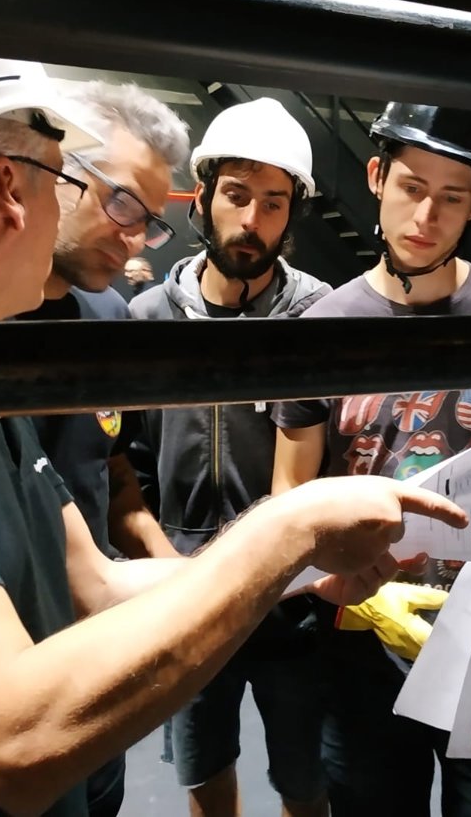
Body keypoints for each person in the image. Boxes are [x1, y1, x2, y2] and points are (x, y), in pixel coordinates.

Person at [0, 39, 468, 817]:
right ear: (10, 186)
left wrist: (293, 567)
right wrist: (287, 529)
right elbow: (12, 740)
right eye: (65, 179)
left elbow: (95, 583)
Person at [271, 101, 471, 817]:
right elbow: (289, 497)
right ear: (377, 177)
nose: (426, 216)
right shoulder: (321, 330)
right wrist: (331, 584)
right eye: (411, 187)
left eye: (452, 197)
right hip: (361, 636)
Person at [127, 97, 333, 817]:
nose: (252, 219)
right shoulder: (148, 320)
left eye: (274, 203)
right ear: (203, 196)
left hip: (292, 596)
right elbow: (131, 463)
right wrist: (163, 565)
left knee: (306, 782)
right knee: (203, 770)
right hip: (186, 586)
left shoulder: (319, 317)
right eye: (238, 196)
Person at [16, 79, 188, 816]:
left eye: (149, 222)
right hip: (4, 646)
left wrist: (174, 571)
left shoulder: (109, 314)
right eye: (121, 203)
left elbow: (111, 472)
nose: (133, 237)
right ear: (55, 172)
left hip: (94, 636)